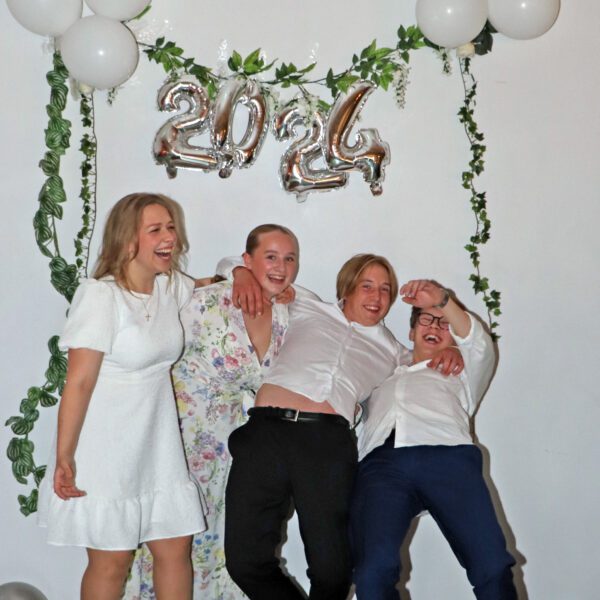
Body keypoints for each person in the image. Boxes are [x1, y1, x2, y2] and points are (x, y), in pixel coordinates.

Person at [223, 256, 463, 600]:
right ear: (346, 288)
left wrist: (453, 348)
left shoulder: (393, 352)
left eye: (385, 290)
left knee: (333, 572)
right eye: (367, 286)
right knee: (244, 561)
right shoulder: (307, 305)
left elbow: (429, 356)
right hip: (266, 432)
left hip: (326, 444)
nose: (377, 297)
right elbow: (239, 262)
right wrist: (241, 273)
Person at [37, 193, 205, 600]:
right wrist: (64, 456)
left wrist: (243, 274)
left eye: (171, 227)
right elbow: (78, 382)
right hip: (107, 448)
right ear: (127, 240)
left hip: (157, 446)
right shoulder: (101, 296)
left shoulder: (169, 287)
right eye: (156, 230)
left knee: (175, 548)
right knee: (112, 562)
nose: (170, 238)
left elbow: (207, 285)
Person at [124, 224, 300, 599]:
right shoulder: (207, 301)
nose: (281, 267)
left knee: (218, 543)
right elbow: (146, 341)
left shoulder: (290, 316)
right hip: (176, 436)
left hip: (231, 448)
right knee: (167, 541)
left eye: (289, 259)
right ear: (247, 260)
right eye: (270, 257)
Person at [350, 279, 517, 599]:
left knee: (491, 564)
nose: (435, 327)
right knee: (371, 572)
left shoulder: (463, 370)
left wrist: (442, 301)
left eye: (444, 324)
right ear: (411, 332)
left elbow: (477, 343)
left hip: (448, 456)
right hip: (381, 467)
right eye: (426, 320)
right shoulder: (382, 372)